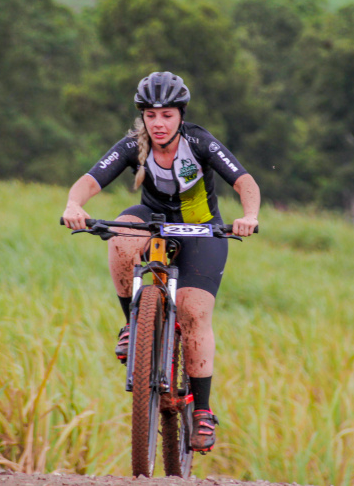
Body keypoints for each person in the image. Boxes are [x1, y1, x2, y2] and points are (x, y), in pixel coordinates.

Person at [61, 71, 260, 452]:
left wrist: (248, 215)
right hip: (154, 221)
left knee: (192, 310)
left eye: (166, 115)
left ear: (180, 115)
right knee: (120, 241)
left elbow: (245, 182)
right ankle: (131, 326)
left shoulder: (200, 143)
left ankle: (201, 411)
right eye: (151, 116)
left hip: (203, 230)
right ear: (143, 117)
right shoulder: (134, 145)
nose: (158, 123)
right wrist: (74, 204)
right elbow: (91, 179)